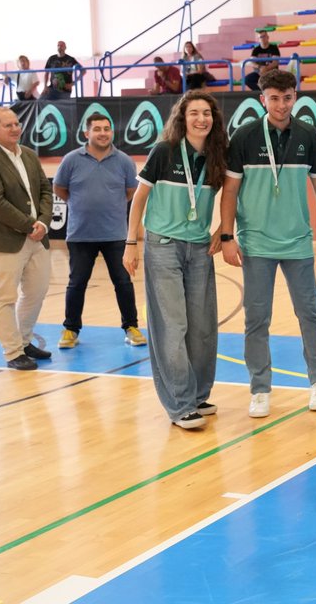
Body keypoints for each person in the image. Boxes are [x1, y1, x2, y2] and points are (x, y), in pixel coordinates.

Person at [220, 68, 316, 418]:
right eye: (274, 98)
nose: (282, 104)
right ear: (263, 100)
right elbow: (230, 191)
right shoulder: (243, 136)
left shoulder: (306, 134)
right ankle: (259, 388)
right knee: (257, 319)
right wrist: (227, 235)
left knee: (310, 314)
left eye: (287, 98)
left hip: (298, 241)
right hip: (255, 244)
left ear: (295, 97)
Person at [124, 91, 228, 429]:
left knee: (201, 327)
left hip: (199, 248)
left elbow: (235, 195)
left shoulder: (216, 156)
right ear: (182, 118)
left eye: (207, 113)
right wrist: (130, 243)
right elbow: (139, 199)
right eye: (194, 112)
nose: (201, 119)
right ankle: (180, 404)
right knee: (173, 326)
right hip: (164, 246)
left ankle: (198, 394)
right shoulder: (164, 151)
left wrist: (225, 231)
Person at [0, 107, 54, 371]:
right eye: (8, 125)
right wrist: (30, 225)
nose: (15, 128)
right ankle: (13, 351)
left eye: (17, 123)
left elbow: (45, 190)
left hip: (36, 237)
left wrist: (43, 222)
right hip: (3, 241)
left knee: (37, 292)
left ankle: (25, 340)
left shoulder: (28, 154)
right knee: (4, 297)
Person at [53, 113, 144, 350]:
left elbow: (130, 192)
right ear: (87, 133)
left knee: (123, 282)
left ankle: (131, 328)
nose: (103, 133)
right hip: (80, 235)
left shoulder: (124, 161)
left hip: (116, 235)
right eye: (97, 129)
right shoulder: (71, 159)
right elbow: (60, 188)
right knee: (77, 283)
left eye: (107, 128)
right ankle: (71, 329)